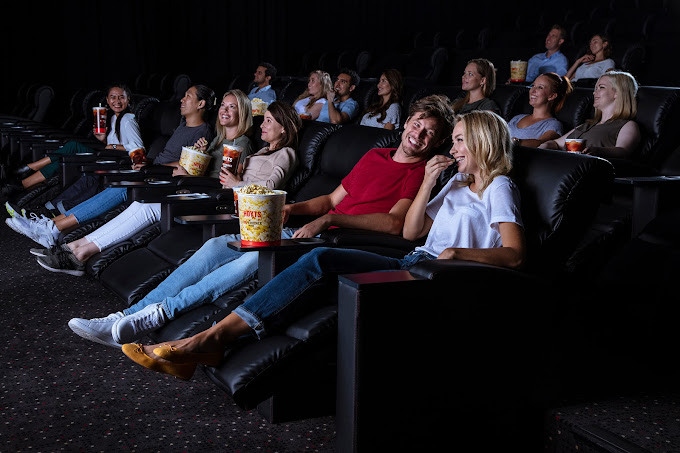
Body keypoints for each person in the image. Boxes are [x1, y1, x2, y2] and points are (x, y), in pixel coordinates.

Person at [118, 110, 525, 381]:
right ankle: (210, 339)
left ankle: (205, 341)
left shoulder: (499, 187)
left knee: (320, 256)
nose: (451, 151)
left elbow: (515, 254)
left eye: (457, 142)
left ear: (482, 143)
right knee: (317, 259)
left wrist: (456, 255)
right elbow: (413, 232)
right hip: (414, 257)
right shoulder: (454, 182)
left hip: (439, 275)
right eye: (451, 142)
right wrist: (428, 184)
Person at [67, 94, 456, 349]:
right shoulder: (374, 157)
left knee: (248, 260)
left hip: (339, 242)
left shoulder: (420, 174)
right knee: (217, 245)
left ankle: (155, 316)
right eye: (416, 124)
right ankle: (128, 315)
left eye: (429, 133)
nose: (418, 135)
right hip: (309, 227)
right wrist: (293, 209)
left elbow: (394, 224)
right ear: (405, 123)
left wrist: (326, 221)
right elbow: (331, 198)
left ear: (437, 142)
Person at [15, 85, 217, 270]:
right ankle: (53, 226)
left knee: (121, 186)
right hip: (152, 169)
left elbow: (187, 166)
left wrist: (153, 166)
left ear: (201, 104)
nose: (182, 99)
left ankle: (55, 228)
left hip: (162, 176)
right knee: (105, 179)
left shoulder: (202, 132)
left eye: (188, 96)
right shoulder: (182, 125)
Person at [2, 84, 144, 197]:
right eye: (113, 97)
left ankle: (29, 168)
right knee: (63, 156)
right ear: (107, 100)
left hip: (114, 164)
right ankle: (23, 183)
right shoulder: (114, 118)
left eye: (121, 97)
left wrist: (112, 147)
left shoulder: (128, 119)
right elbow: (115, 145)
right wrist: (102, 139)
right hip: (108, 158)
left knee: (72, 146)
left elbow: (137, 148)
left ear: (128, 99)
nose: (117, 101)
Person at [539, 71, 640, 159]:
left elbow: (623, 151)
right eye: (595, 88)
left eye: (601, 87)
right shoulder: (586, 125)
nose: (594, 93)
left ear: (618, 92)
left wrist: (598, 151)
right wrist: (544, 146)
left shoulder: (627, 125)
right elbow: (555, 143)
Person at [508, 72, 573, 148]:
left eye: (540, 87)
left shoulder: (552, 124)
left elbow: (542, 143)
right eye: (533, 86)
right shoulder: (517, 118)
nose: (532, 91)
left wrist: (514, 142)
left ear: (551, 96)